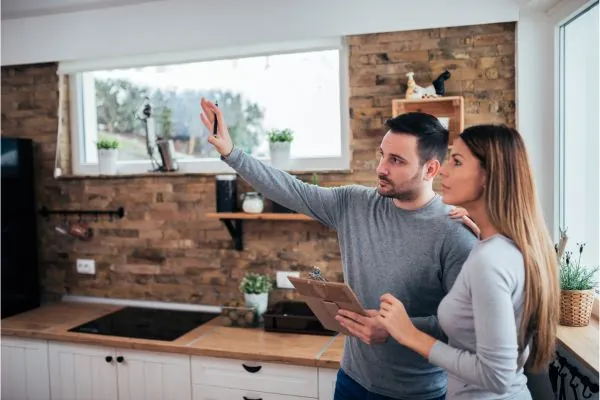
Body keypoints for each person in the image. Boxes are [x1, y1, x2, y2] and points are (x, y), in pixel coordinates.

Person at [200, 98, 479, 400]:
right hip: (351, 382)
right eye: (382, 155)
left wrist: (397, 328)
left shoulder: (455, 234)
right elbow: (291, 190)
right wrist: (231, 153)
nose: (381, 168)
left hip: (417, 394)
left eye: (396, 160)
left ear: (431, 169)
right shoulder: (353, 203)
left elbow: (466, 326)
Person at [377, 124, 560, 399]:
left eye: (457, 162)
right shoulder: (504, 247)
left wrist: (408, 334)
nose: (445, 170)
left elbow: (496, 376)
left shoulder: (491, 261)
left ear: (488, 176)